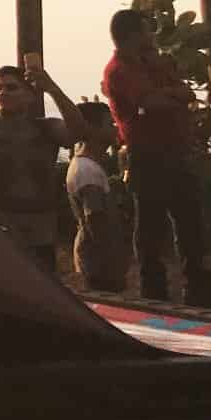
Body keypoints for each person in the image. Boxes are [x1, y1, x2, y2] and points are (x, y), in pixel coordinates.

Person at [101, 8, 211, 307]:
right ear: (133, 35)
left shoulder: (153, 63)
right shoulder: (118, 70)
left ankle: (199, 293)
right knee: (151, 229)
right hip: (147, 155)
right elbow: (152, 102)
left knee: (190, 225)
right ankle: (154, 294)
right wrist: (171, 95)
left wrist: (170, 94)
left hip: (176, 152)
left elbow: (183, 94)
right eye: (146, 30)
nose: (152, 35)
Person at [0, 64, 82, 270]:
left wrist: (52, 89)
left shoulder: (46, 129)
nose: (2, 93)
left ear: (30, 96)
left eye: (11, 88)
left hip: (39, 236)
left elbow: (78, 132)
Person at [65, 102, 129, 290]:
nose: (115, 128)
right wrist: (113, 261)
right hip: (99, 266)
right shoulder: (87, 171)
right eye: (109, 124)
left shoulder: (87, 166)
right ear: (92, 129)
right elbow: (96, 221)